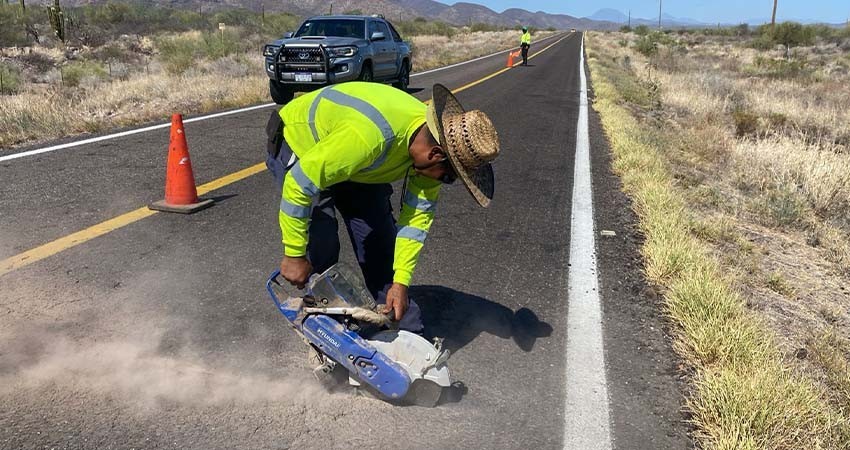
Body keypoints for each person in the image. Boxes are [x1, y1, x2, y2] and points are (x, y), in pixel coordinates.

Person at [265, 82, 500, 332]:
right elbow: (299, 185)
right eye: (449, 177)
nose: (446, 182)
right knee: (322, 244)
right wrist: (294, 254)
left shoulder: (430, 153)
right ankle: (329, 329)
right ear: (435, 154)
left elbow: (415, 222)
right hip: (302, 145)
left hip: (356, 162)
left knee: (379, 243)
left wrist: (400, 283)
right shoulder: (370, 136)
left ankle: (404, 332)